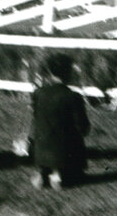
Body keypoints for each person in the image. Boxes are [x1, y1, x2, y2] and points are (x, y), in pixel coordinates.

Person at [30, 53, 90, 190]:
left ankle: (43, 171)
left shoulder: (38, 93)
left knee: (46, 130)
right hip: (62, 149)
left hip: (40, 149)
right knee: (75, 136)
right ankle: (58, 175)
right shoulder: (73, 96)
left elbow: (35, 117)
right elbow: (83, 127)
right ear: (69, 73)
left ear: (50, 72)